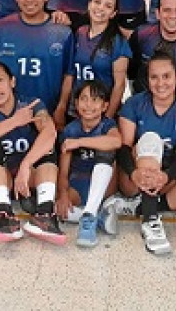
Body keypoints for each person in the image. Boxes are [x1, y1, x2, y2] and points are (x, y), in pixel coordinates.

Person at [105, 52, 176, 255]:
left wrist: (165, 177)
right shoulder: (134, 104)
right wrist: (134, 174)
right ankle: (150, 221)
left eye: (166, 76)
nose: (160, 83)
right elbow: (123, 149)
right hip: (133, 179)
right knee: (150, 139)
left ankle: (142, 207)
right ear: (147, 80)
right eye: (154, 77)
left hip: (166, 180)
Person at [0, 62, 64, 245]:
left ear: (12, 82)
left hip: (27, 178)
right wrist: (15, 122)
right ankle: (4, 216)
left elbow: (50, 133)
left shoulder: (31, 104)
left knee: (46, 143)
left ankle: (45, 214)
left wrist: (26, 166)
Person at [0, 0, 74, 122]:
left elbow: (68, 74)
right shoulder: (1, 27)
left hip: (48, 114)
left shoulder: (62, 32)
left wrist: (61, 108)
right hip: (6, 114)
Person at [55, 80, 122, 247]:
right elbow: (63, 172)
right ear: (76, 104)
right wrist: (63, 195)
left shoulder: (107, 125)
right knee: (57, 210)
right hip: (78, 182)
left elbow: (116, 141)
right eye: (83, 99)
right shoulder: (71, 130)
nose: (89, 104)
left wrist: (80, 142)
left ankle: (89, 216)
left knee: (105, 150)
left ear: (105, 106)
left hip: (104, 183)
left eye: (95, 100)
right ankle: (97, 218)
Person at [56, 0, 131, 123]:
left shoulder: (118, 42)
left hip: (100, 110)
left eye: (108, 6)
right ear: (89, 4)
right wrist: (62, 107)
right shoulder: (79, 32)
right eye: (97, 2)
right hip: (76, 109)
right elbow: (70, 74)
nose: (101, 8)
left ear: (113, 13)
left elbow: (119, 85)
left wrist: (107, 118)